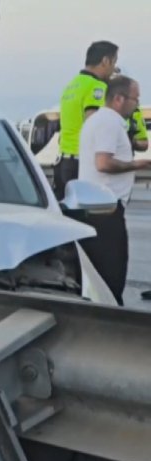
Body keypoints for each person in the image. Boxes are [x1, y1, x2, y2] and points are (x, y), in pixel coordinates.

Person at [77, 75, 151, 305]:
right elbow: (104, 163)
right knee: (112, 275)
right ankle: (111, 321)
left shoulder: (98, 120)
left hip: (97, 206)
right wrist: (139, 164)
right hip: (105, 209)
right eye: (134, 99)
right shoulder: (109, 123)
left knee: (102, 274)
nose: (136, 104)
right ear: (119, 98)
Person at [55, 41, 119, 200]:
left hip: (64, 160)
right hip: (82, 163)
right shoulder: (96, 86)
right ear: (106, 61)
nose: (113, 70)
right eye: (114, 62)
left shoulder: (72, 85)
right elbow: (95, 124)